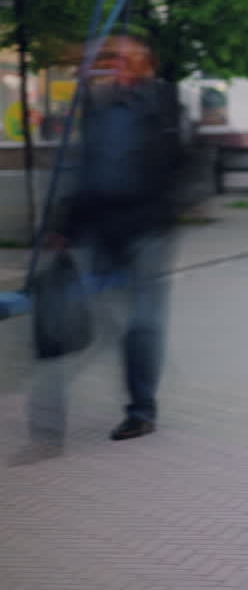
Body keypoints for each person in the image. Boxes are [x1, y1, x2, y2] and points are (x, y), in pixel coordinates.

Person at [14, 35, 188, 464]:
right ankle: (50, 424)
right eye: (113, 58)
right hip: (100, 228)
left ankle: (141, 411)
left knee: (141, 322)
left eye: (126, 58)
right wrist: (63, 225)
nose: (117, 64)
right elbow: (84, 167)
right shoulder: (98, 105)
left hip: (147, 230)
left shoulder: (163, 104)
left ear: (146, 64)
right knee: (91, 320)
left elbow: (183, 164)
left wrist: (170, 209)